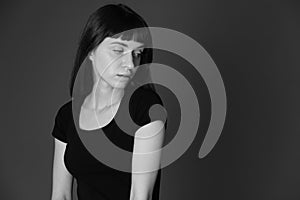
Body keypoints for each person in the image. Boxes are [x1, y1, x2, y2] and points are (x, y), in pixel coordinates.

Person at [50, 3, 166, 200]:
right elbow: (60, 194)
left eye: (136, 54)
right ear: (91, 51)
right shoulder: (66, 117)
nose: (130, 64)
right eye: (118, 50)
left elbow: (141, 196)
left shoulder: (146, 108)